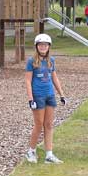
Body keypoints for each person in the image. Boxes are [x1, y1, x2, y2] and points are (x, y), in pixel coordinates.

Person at [25, 33, 66, 164]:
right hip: (38, 96)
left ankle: (49, 155)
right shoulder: (31, 61)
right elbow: (27, 81)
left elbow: (54, 78)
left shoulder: (51, 61)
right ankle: (31, 151)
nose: (43, 47)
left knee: (48, 125)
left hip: (50, 95)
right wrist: (30, 99)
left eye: (45, 45)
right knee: (38, 125)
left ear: (49, 47)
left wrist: (61, 94)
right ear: (36, 46)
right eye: (41, 45)